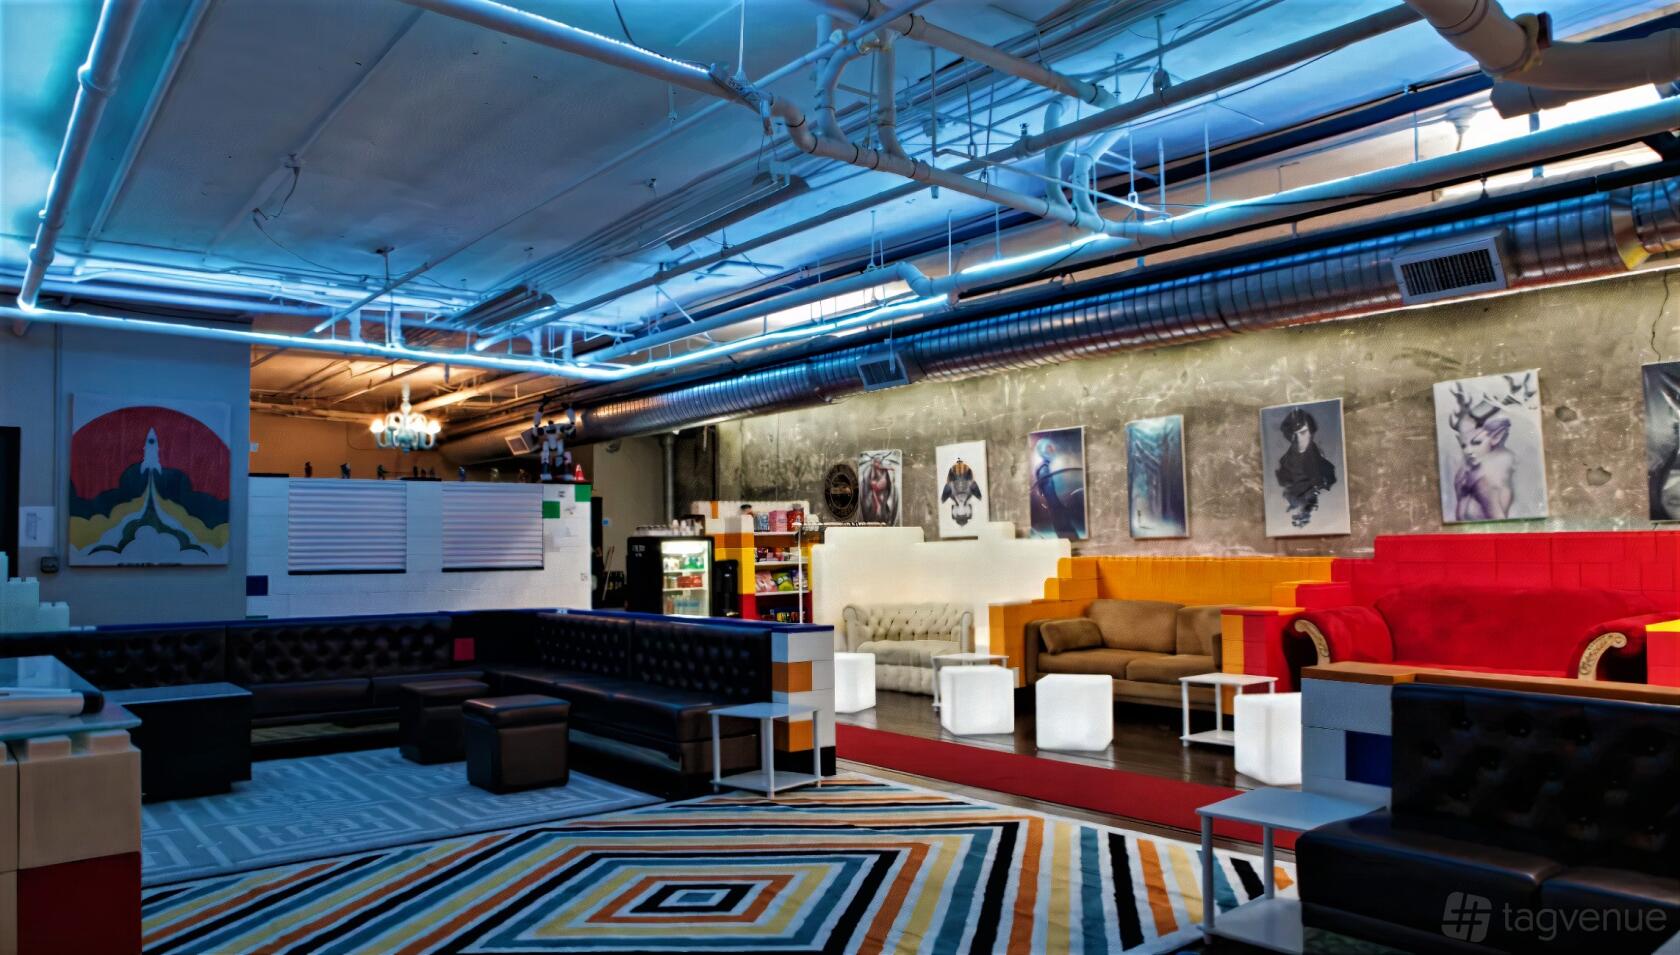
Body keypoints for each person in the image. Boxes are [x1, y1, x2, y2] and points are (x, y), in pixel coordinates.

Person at [1274, 408, 1337, 528]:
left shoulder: (1326, 469)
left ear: (1311, 433)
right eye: (1294, 434)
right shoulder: (1283, 465)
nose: (1298, 439)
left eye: (1303, 432)